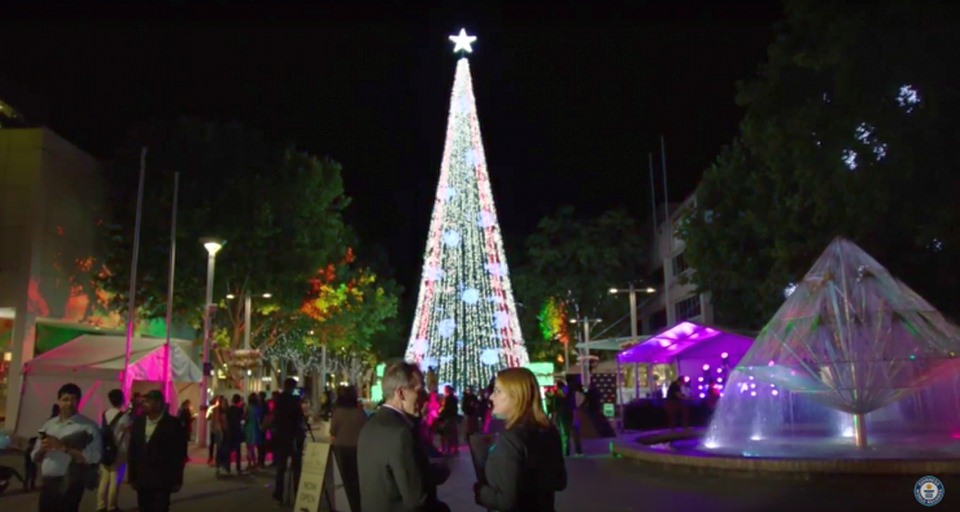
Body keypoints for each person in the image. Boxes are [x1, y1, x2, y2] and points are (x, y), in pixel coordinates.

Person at [357, 362, 450, 512]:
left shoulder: (369, 426)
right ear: (401, 393)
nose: (423, 398)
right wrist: (438, 474)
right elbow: (415, 498)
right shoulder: (401, 433)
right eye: (418, 391)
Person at [474, 368, 566, 512]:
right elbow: (560, 482)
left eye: (498, 391)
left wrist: (480, 492)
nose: (491, 397)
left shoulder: (510, 440)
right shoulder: (549, 431)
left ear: (516, 396)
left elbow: (506, 502)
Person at [31, 382, 103, 512]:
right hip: (48, 483)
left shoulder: (88, 427)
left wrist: (63, 447)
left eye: (74, 399)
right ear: (58, 401)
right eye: (65, 400)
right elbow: (34, 456)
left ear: (79, 401)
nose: (69, 404)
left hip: (70, 484)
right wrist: (43, 448)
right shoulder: (49, 425)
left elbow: (94, 457)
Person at [127, 390, 187, 512]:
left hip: (162, 479)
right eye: (144, 401)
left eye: (148, 401)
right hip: (142, 478)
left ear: (159, 404)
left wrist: (177, 479)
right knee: (143, 507)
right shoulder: (139, 422)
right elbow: (133, 450)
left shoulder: (172, 424)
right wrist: (132, 476)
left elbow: (179, 454)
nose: (144, 404)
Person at [330, 385, 366, 512]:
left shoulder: (338, 413)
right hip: (357, 447)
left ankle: (345, 504)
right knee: (356, 477)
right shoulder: (360, 412)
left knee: (344, 477)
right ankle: (356, 504)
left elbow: (333, 431)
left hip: (342, 447)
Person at [271, 378, 306, 502]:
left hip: (282, 435)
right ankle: (297, 491)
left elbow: (276, 417)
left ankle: (279, 491)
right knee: (296, 466)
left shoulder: (279, 399)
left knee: (281, 466)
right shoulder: (294, 400)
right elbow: (299, 417)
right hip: (293, 436)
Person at [97, 388, 131, 512]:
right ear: (122, 399)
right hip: (119, 451)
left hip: (105, 450)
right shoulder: (124, 417)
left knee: (104, 479)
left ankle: (100, 505)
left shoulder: (105, 413)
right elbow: (129, 432)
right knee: (115, 480)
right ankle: (111, 506)